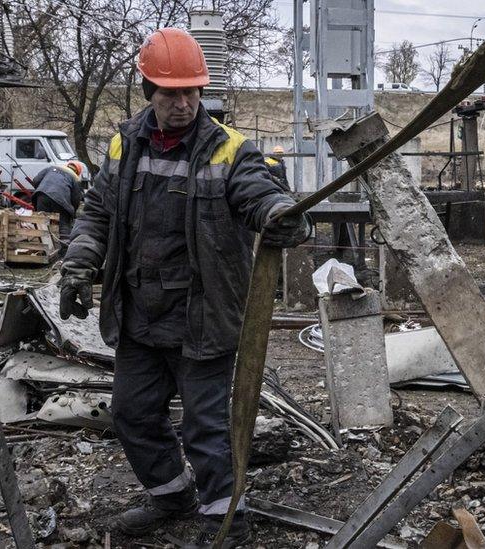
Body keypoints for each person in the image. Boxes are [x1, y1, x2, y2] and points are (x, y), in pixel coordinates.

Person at [57, 27, 311, 548]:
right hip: (140, 315)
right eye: (171, 92)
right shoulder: (124, 144)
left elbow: (258, 192)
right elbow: (98, 212)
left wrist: (280, 213)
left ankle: (224, 521)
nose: (183, 103)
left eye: (192, 91)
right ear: (148, 88)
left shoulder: (229, 149)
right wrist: (79, 265)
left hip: (203, 316)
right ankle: (171, 496)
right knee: (131, 415)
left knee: (206, 428)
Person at [31, 160, 83, 255]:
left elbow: (35, 180)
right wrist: (72, 212)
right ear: (77, 172)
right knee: (63, 225)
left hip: (42, 196)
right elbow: (76, 199)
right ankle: (65, 252)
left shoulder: (51, 168)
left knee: (42, 223)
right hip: (61, 201)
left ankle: (43, 250)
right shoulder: (75, 178)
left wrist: (43, 189)